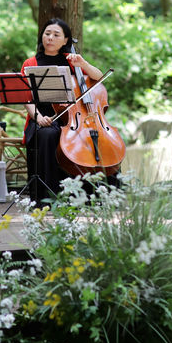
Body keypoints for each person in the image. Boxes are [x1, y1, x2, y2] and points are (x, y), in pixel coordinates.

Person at [22, 18, 104, 205]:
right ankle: (48, 197)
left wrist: (83, 64)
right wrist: (39, 117)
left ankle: (91, 195)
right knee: (49, 134)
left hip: (72, 120)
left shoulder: (72, 61)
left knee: (92, 137)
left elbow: (98, 78)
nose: (50, 38)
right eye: (47, 33)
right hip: (41, 119)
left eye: (56, 35)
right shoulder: (31, 62)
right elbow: (26, 98)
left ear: (66, 40)